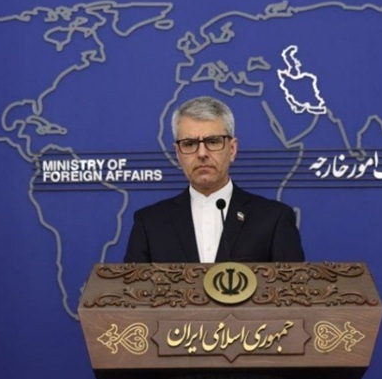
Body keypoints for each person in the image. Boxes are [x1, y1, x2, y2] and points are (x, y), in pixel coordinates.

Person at [124, 96, 305, 263]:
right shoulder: (149, 223)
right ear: (178, 153)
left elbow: (292, 286)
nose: (202, 153)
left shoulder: (274, 219)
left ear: (232, 149)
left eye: (213, 141)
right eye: (189, 144)